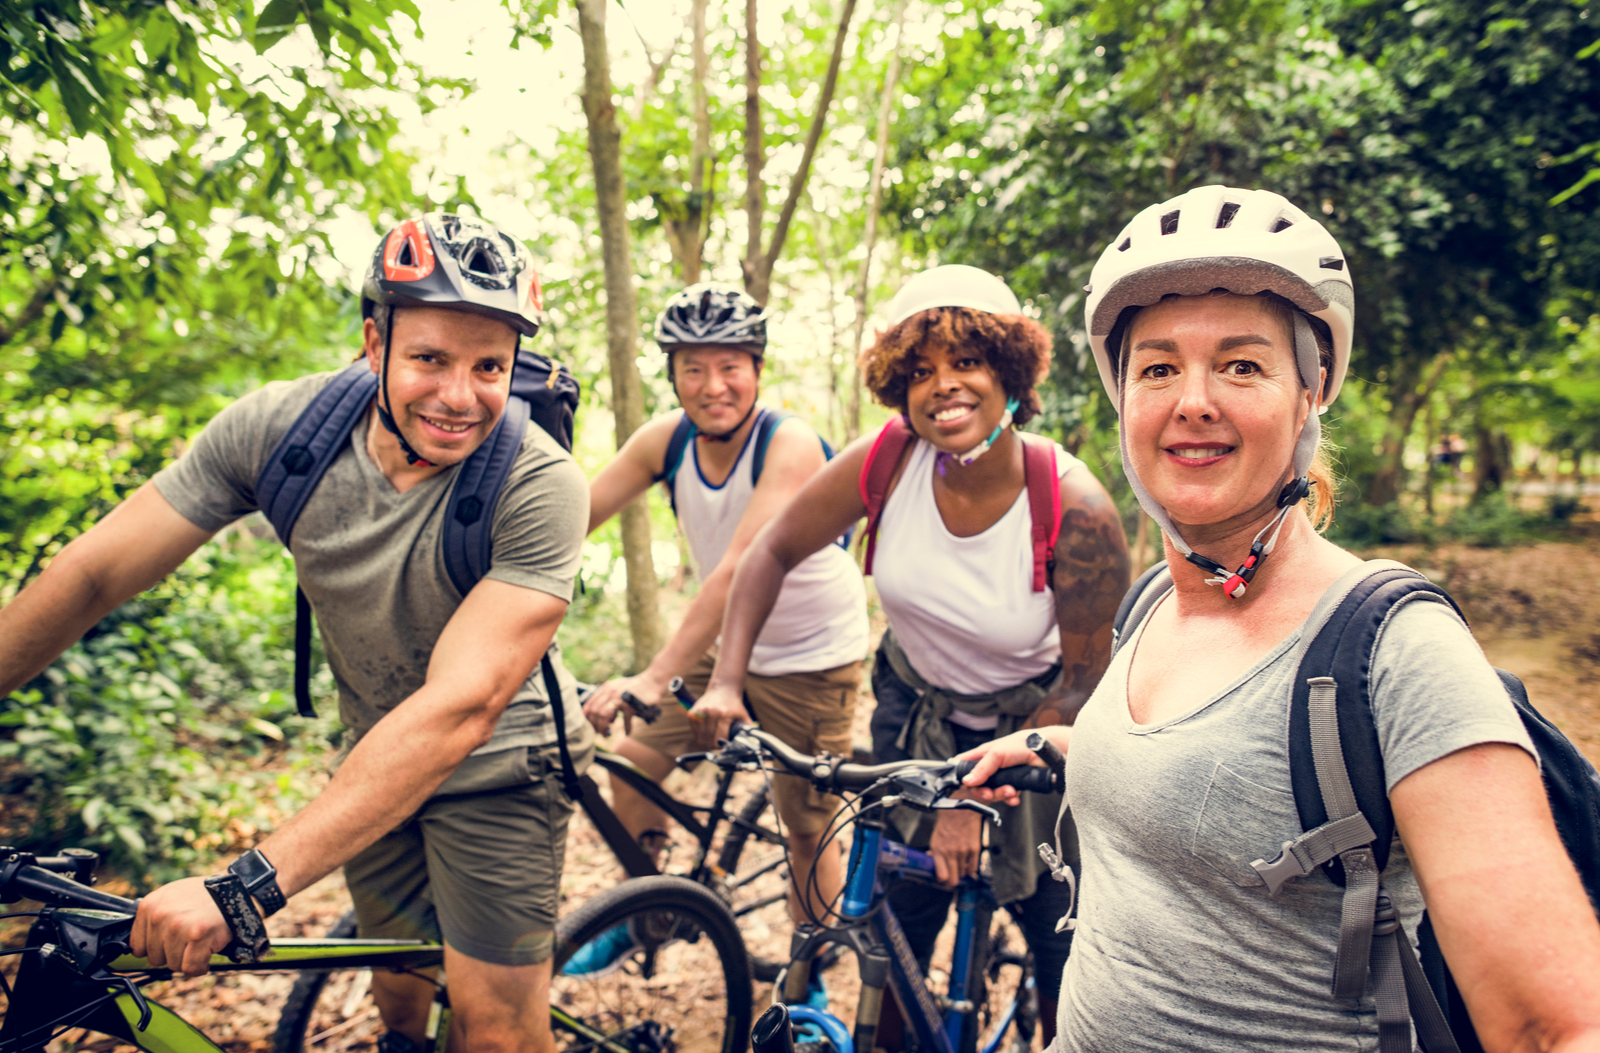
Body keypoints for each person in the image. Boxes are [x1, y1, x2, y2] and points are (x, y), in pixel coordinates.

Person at [958, 185, 1600, 1051]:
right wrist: (1064, 747)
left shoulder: (1394, 650)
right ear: (1122, 400)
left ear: (1310, 392)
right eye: (1157, 366)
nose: (1193, 399)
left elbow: (1553, 1025)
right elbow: (1217, 770)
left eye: (1241, 364)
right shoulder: (1152, 603)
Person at [0, 212, 592, 1053]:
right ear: (372, 343)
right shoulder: (284, 433)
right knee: (398, 994)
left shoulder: (540, 482)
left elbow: (465, 705)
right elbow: (94, 573)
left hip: (502, 766)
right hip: (373, 755)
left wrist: (244, 888)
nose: (461, 396)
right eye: (430, 358)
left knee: (493, 1028)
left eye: (488, 366)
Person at [691, 265, 1131, 1044]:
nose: (943, 386)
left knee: (1060, 929)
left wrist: (969, 795)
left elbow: (1086, 679)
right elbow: (769, 552)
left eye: (966, 362)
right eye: (920, 370)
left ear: (1010, 371)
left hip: (1037, 724)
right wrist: (727, 680)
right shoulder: (887, 460)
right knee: (894, 927)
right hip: (916, 710)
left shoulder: (1075, 506)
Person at [581, 283, 869, 985]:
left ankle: (809, 984)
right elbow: (570, 519)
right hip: (721, 651)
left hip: (810, 653)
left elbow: (741, 564)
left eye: (730, 366)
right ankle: (648, 910)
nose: (713, 386)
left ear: (758, 369)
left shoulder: (789, 441)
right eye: (693, 369)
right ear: (673, 374)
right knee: (631, 762)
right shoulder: (665, 442)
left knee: (807, 825)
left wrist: (654, 675)